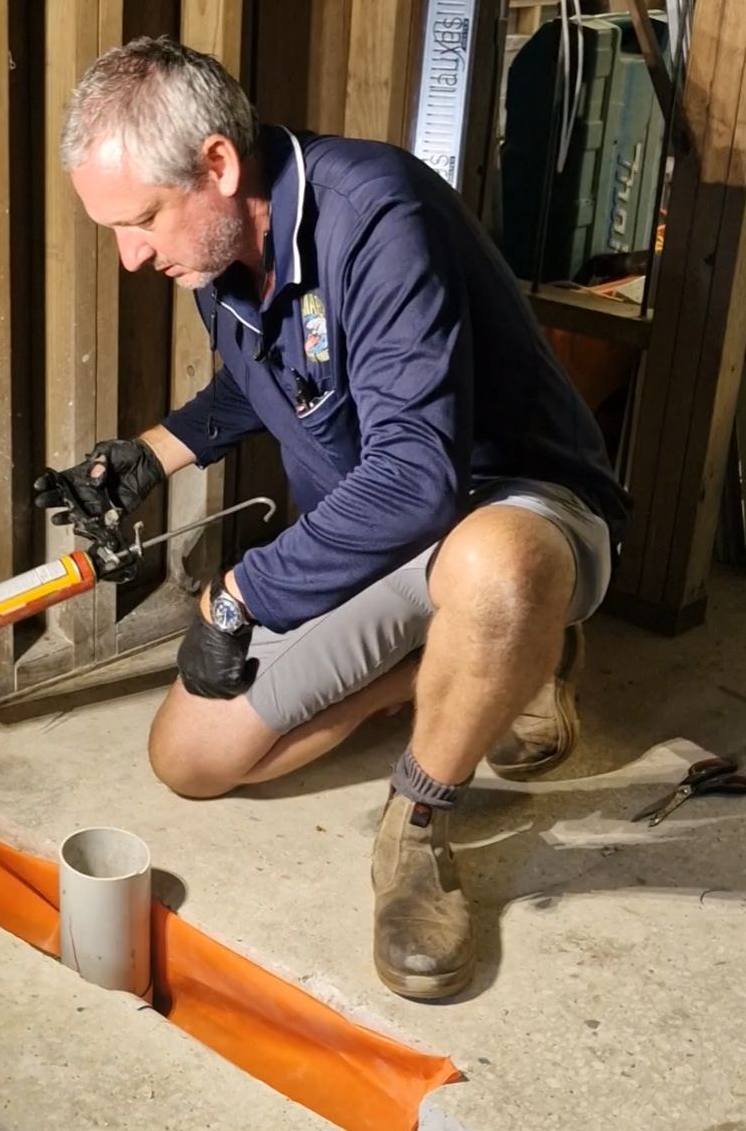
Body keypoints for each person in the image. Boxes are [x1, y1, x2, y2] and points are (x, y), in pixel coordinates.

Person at [36, 36, 630, 1000]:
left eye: (140, 219)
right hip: (384, 530)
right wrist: (149, 453)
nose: (131, 254)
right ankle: (461, 672)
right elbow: (266, 384)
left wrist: (238, 597)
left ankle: (420, 819)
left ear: (217, 166)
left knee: (496, 571)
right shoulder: (219, 256)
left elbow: (417, 477)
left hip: (507, 508)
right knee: (188, 758)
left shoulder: (377, 213)